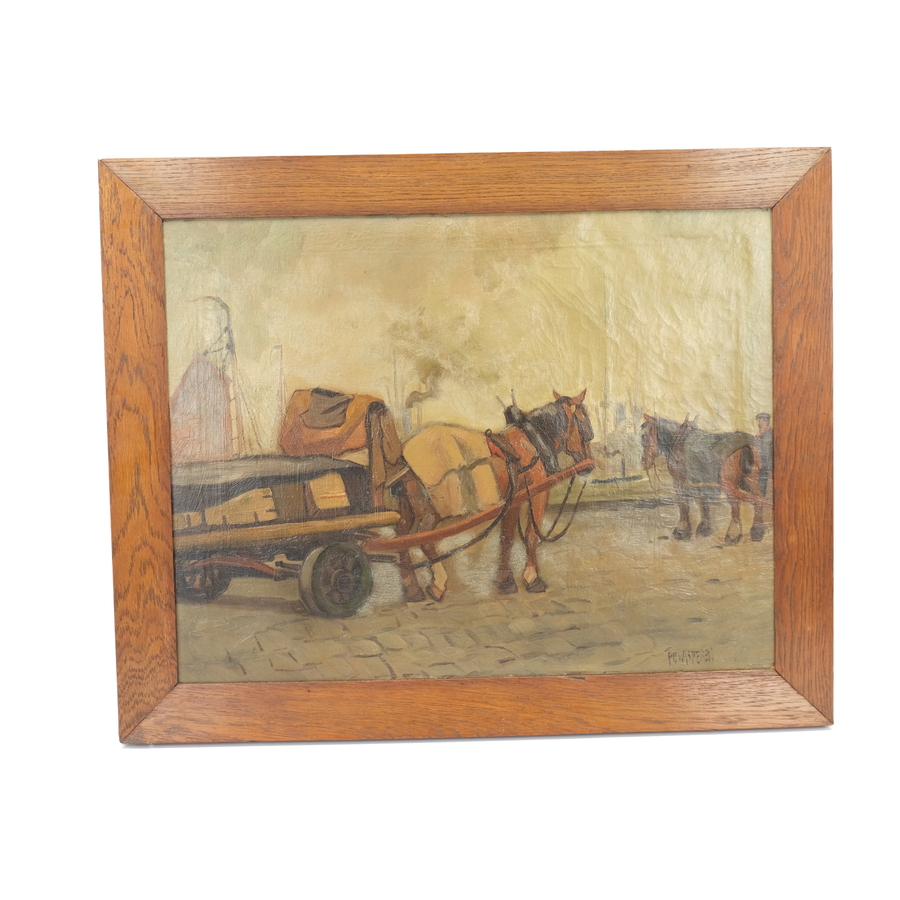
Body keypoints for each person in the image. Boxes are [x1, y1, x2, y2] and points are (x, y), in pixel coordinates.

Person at [756, 413, 774, 497]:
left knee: (762, 487)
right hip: (761, 465)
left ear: (765, 422)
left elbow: (767, 453)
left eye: (760, 421)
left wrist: (769, 469)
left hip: (765, 466)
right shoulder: (762, 434)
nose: (758, 424)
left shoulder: (768, 435)